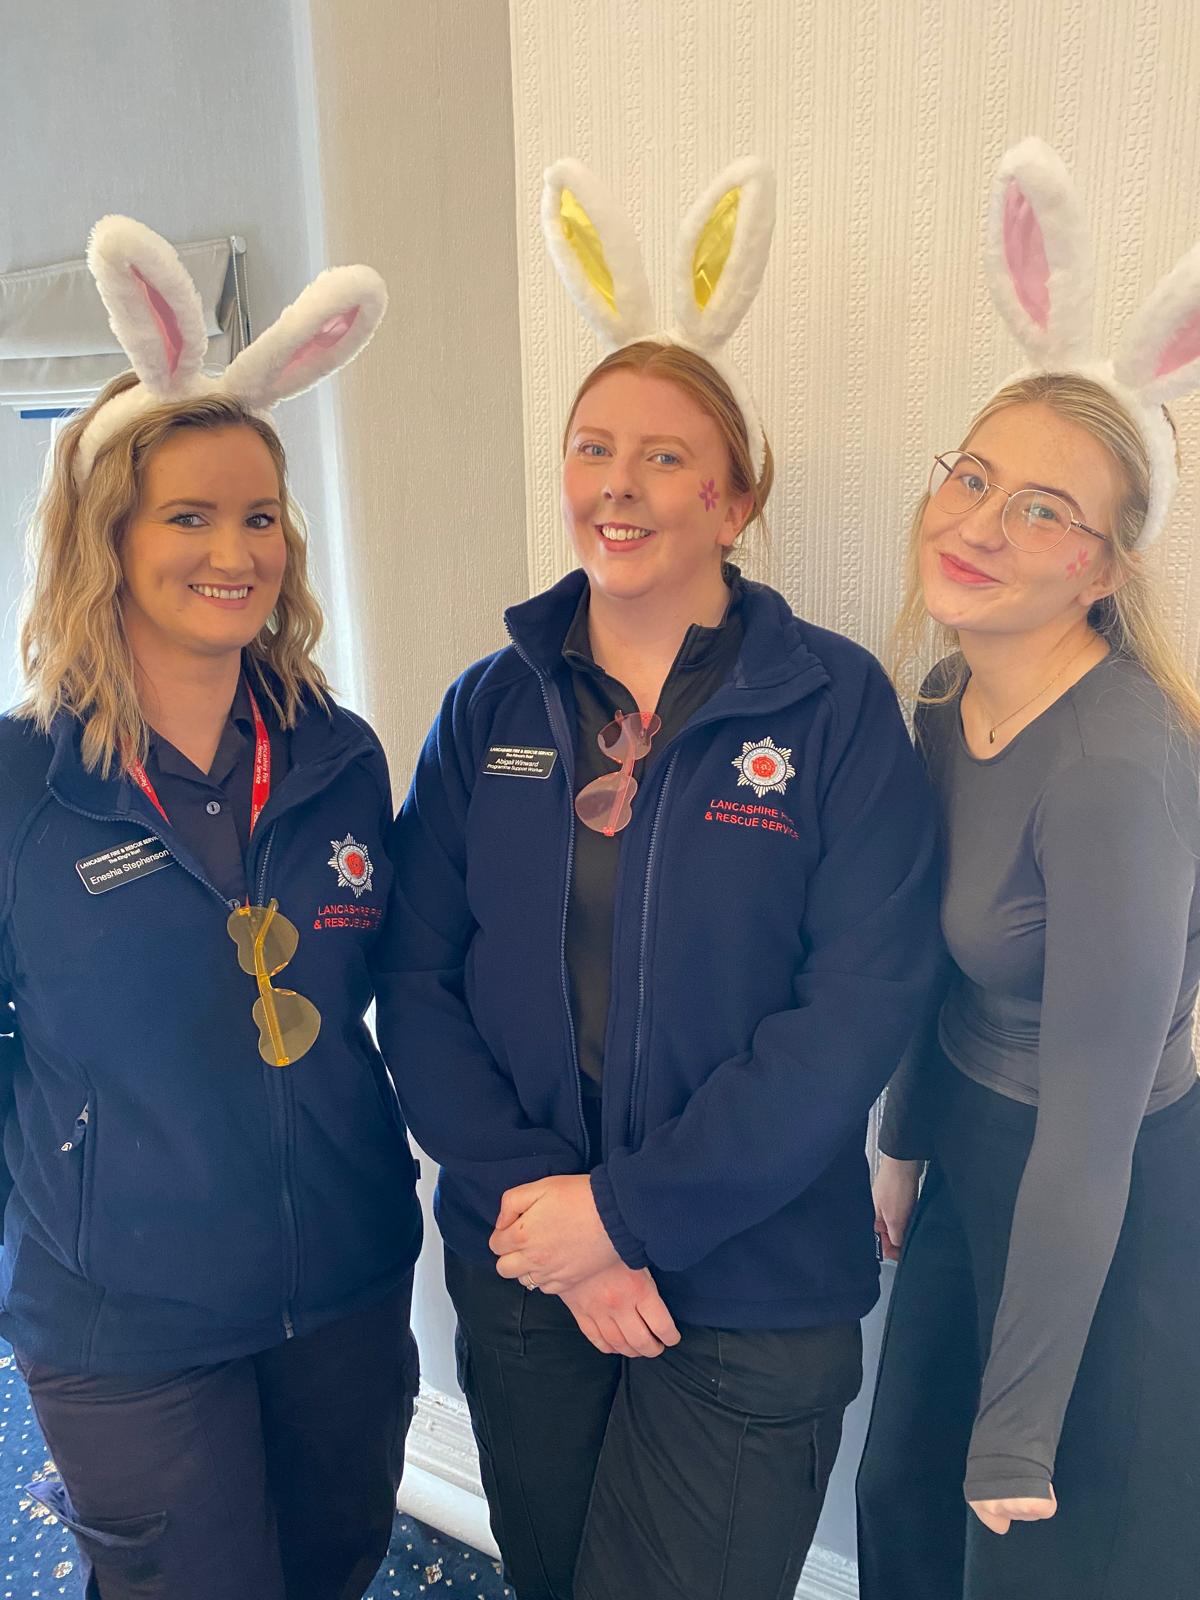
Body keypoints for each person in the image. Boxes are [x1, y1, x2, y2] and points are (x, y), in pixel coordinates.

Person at [379, 158, 940, 1600]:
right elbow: (417, 979)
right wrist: (553, 1221)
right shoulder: (488, 709)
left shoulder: (836, 709)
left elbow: (856, 1012)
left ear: (735, 500)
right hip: (524, 1264)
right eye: (591, 448)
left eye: (666, 457)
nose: (617, 486)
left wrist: (627, 1220)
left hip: (750, 1287)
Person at [0, 217, 421, 1600]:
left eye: (259, 516)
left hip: (343, 1284)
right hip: (125, 1323)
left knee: (334, 1565)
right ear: (105, 536)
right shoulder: (21, 784)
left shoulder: (336, 753)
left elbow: (405, 984)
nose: (235, 550)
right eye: (189, 516)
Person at [857, 139, 1200, 1600]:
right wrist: (903, 1139)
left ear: (1101, 568)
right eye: (975, 478)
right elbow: (931, 961)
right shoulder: (946, 698)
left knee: (1036, 1552)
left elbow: (1095, 1128)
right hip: (976, 1156)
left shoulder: (1119, 767)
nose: (981, 524)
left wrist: (1018, 1432)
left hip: (1100, 1200)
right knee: (901, 1509)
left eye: (1043, 510)